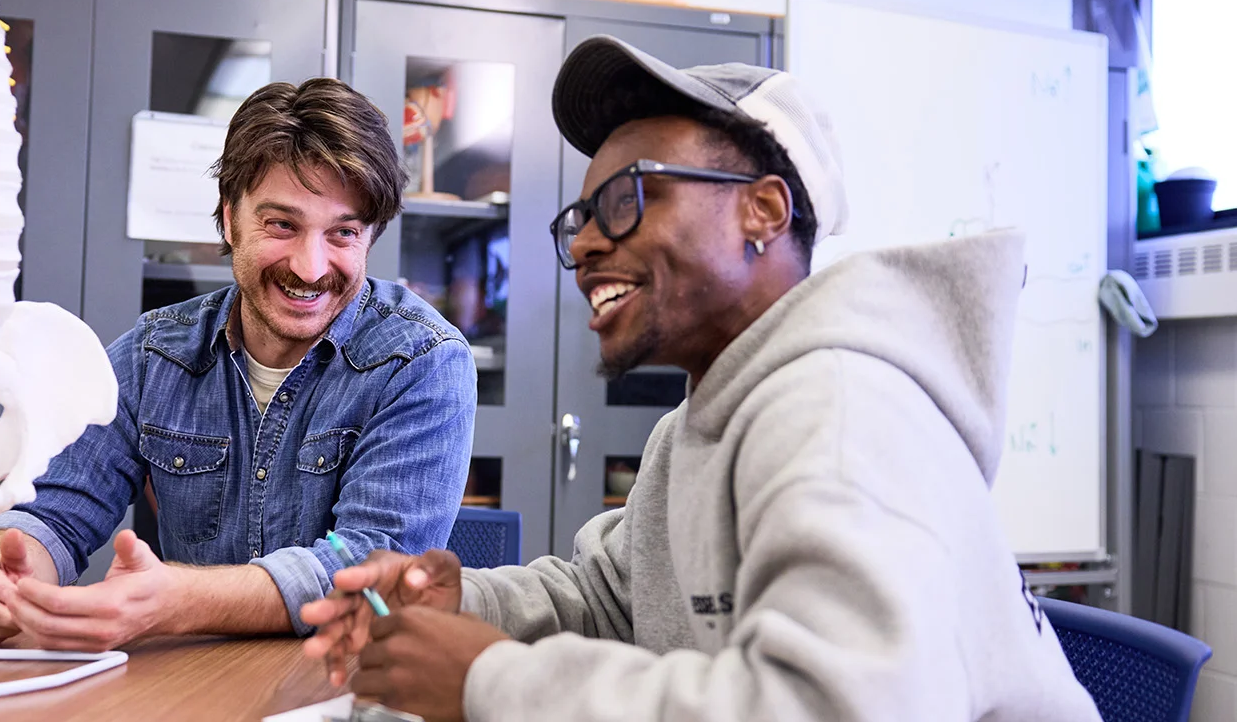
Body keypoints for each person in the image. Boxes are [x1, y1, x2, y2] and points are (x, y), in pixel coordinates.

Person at [300, 37, 1102, 721]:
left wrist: (489, 678)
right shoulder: (692, 430)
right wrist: (469, 605)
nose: (583, 247)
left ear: (764, 211)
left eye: (626, 199)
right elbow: (613, 601)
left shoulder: (843, 411)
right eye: (578, 221)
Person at [0, 78, 477, 651]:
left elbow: (373, 573)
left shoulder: (422, 361)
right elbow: (55, 511)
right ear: (228, 219)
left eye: (343, 233)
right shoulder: (154, 355)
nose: (312, 267)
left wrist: (175, 601)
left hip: (347, 684)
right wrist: (1, 573)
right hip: (192, 687)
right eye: (281, 225)